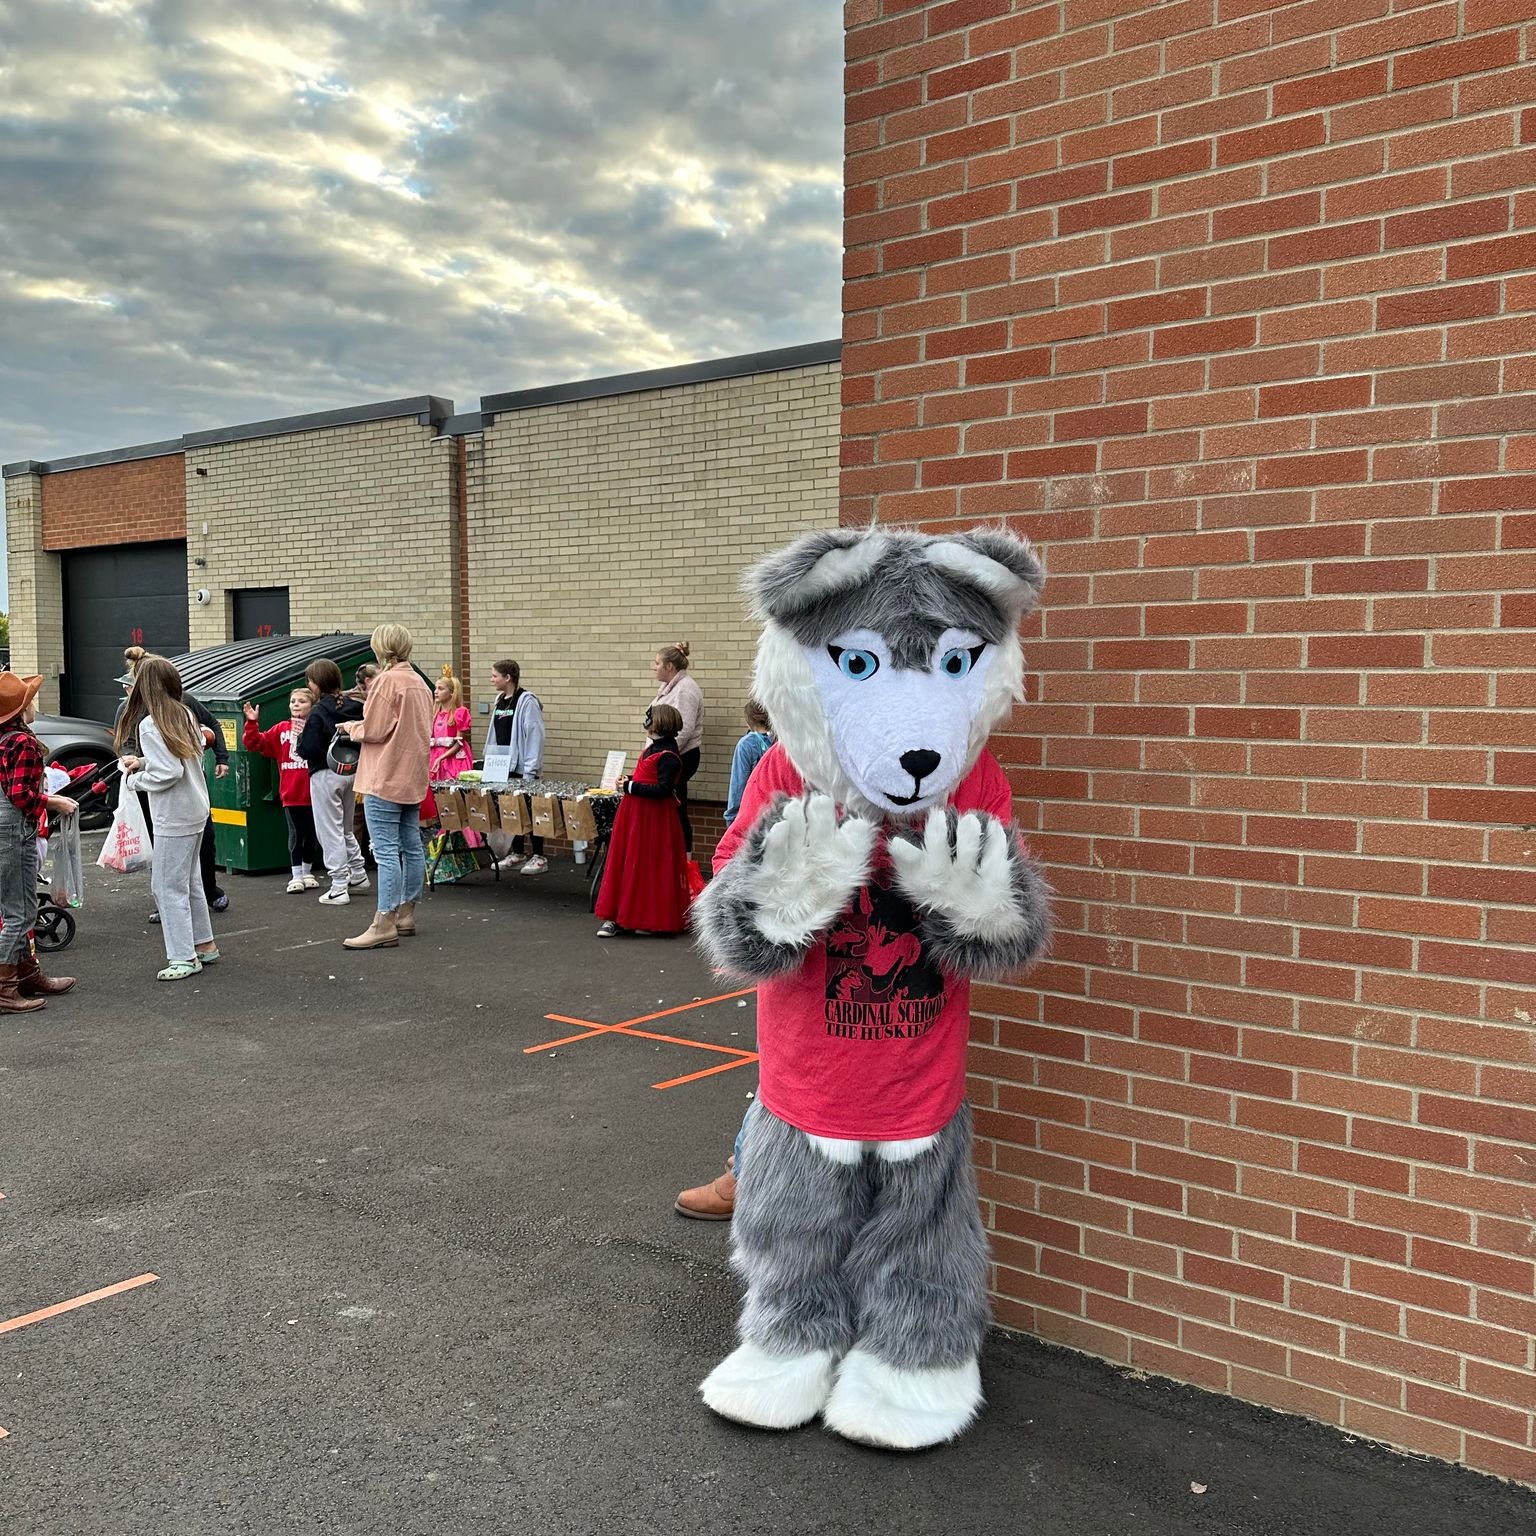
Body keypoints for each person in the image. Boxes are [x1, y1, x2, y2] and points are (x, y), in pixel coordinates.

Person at [116, 656, 219, 981]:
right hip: (196, 808)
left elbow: (168, 772)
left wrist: (136, 779)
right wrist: (144, 763)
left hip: (173, 815)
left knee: (165, 887)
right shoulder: (185, 714)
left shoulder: (149, 725)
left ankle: (183, 957)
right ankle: (204, 945)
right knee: (191, 882)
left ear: (142, 688)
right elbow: (179, 759)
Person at [339, 624, 433, 950]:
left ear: (380, 648)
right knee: (411, 846)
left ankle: (384, 922)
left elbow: (375, 730)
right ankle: (406, 914)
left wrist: (351, 727)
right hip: (412, 775)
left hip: (384, 775)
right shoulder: (419, 683)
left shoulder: (385, 681)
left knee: (385, 851)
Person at [0, 672, 78, 1009]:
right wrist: (51, 802)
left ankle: (27, 974)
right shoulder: (23, 742)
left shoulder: (4, 739)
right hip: (13, 831)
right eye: (30, 700)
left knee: (16, 907)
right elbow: (21, 795)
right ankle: (5, 989)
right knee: (20, 912)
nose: (35, 704)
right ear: (19, 710)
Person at [594, 703, 690, 939]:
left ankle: (642, 918)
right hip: (637, 816)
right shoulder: (656, 748)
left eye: (649, 719)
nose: (645, 723)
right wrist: (631, 779)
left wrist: (630, 785)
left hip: (653, 820)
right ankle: (622, 916)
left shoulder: (669, 755)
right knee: (630, 863)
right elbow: (649, 778)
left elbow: (663, 789)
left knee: (648, 866)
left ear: (659, 723)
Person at [297, 659, 369, 907]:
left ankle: (339, 885)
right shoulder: (353, 705)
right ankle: (358, 874)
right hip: (352, 770)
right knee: (346, 827)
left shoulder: (318, 711)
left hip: (325, 772)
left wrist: (299, 740)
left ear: (315, 684)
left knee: (329, 831)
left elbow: (308, 748)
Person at [242, 689, 321, 892]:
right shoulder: (280, 730)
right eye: (292, 701)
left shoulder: (317, 727)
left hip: (315, 792)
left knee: (311, 834)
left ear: (312, 705)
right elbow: (255, 743)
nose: (295, 704)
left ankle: (307, 871)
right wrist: (252, 723)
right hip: (291, 792)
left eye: (302, 701)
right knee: (296, 833)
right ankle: (296, 875)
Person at [485, 659, 547, 875]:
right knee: (511, 810)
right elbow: (495, 734)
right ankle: (518, 853)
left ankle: (539, 856)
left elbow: (534, 734)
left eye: (495, 676)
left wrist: (531, 768)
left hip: (523, 768)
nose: (492, 679)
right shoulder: (500, 700)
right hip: (503, 766)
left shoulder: (526, 701)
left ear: (507, 678)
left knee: (530, 810)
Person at [648, 641, 703, 854]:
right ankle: (671, 856)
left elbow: (684, 728)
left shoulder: (685, 690)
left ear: (670, 666)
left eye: (657, 663)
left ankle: (684, 860)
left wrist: (662, 755)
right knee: (670, 806)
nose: (654, 667)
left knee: (676, 807)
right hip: (668, 755)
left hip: (680, 756)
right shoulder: (671, 688)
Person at [723, 699, 773, 830]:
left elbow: (738, 784)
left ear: (748, 721)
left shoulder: (746, 744)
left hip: (752, 815)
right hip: (779, 812)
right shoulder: (782, 741)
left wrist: (732, 818)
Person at [348, 664, 380, 870]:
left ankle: (357, 862)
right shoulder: (363, 704)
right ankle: (362, 859)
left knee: (358, 816)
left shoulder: (354, 701)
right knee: (360, 815)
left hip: (363, 765)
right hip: (365, 764)